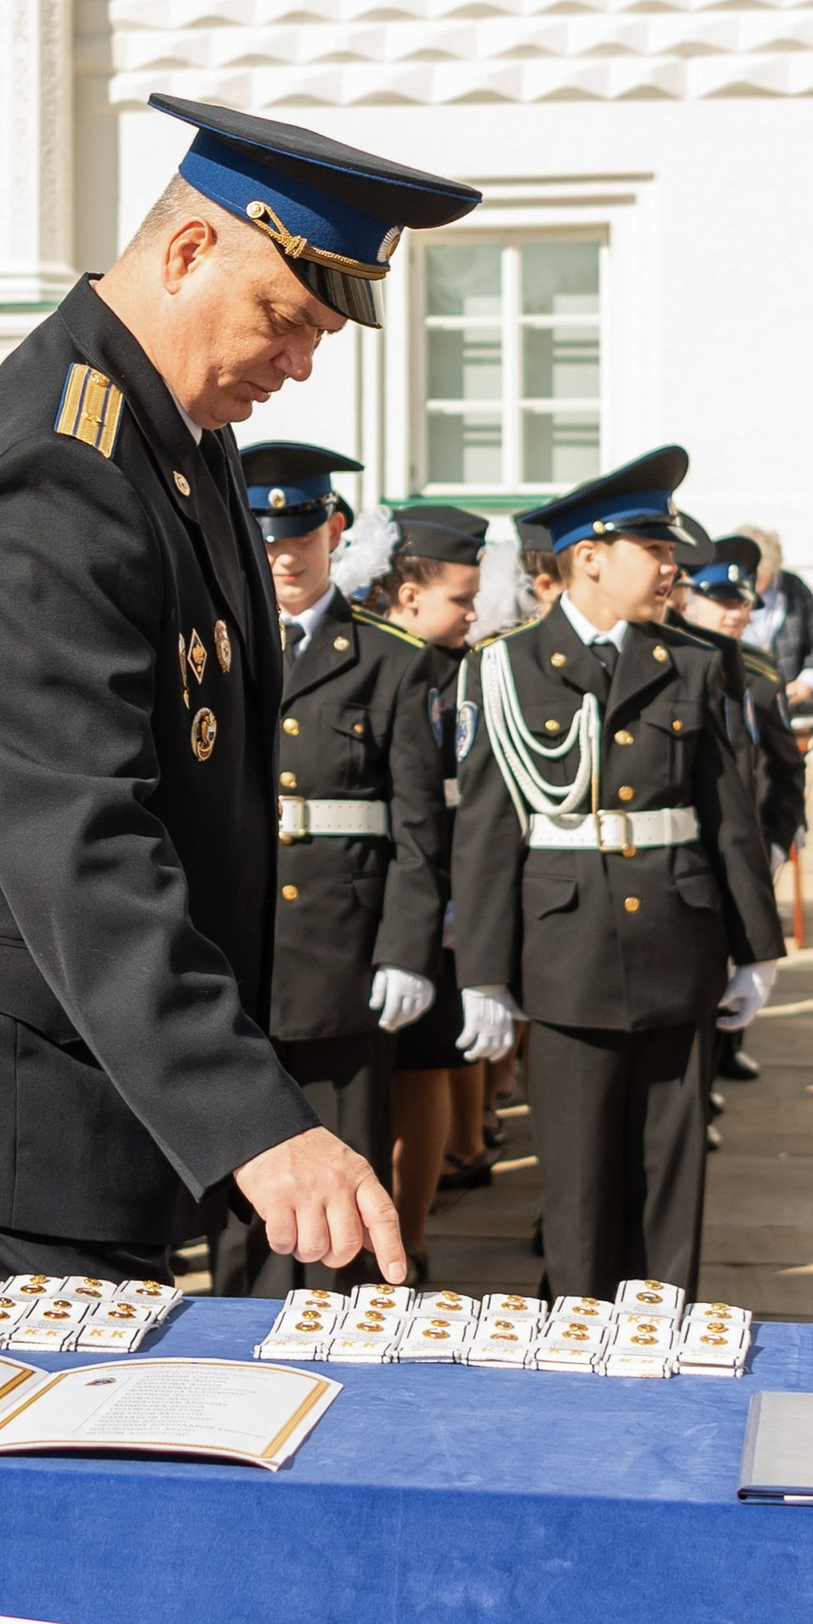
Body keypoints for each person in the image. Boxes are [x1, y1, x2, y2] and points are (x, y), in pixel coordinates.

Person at [0, 94, 480, 1286]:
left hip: (99, 1080)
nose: (299, 361)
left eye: (322, 336)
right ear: (187, 252)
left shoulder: (169, 429)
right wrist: (253, 1119)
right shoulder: (55, 467)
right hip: (14, 1110)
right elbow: (78, 833)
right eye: (286, 319)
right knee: (40, 1457)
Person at [454, 448, 782, 1298]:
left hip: (679, 942)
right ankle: (577, 1333)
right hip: (567, 957)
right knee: (579, 1176)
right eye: (653, 547)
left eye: (670, 548)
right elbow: (488, 833)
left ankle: (663, 1328)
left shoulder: (699, 663)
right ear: (589, 557)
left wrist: (757, 948)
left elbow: (730, 819)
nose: (673, 565)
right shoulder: (506, 667)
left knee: (673, 1176)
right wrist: (484, 974)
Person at [206, 441, 449, 1294]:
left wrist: (407, 949)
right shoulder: (214, 647)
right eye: (264, 532)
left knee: (346, 1177)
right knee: (244, 1193)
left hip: (345, 959)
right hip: (236, 957)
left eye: (300, 533)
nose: (281, 552)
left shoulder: (390, 658)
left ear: (333, 531)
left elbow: (420, 825)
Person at [357, 499, 493, 1262]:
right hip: (365, 897)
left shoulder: (464, 675)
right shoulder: (372, 656)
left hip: (434, 900)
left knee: (426, 1064)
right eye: (461, 599)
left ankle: (409, 1238)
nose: (474, 613)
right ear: (409, 597)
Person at [671, 523, 808, 1091]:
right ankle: (697, 1092)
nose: (736, 612)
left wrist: (777, 839)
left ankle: (722, 1059)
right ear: (689, 596)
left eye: (742, 601)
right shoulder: (667, 664)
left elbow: (784, 767)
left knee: (740, 957)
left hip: (745, 844)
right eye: (720, 599)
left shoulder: (757, 670)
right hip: (687, 853)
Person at [740, 529, 813, 717]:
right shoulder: (724, 594)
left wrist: (808, 681)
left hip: (793, 707)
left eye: (759, 575)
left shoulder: (793, 587)